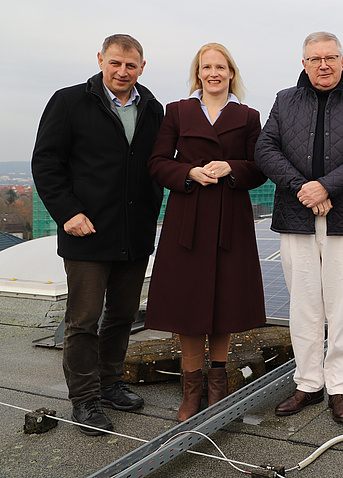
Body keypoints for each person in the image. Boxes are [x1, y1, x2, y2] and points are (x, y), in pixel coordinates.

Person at [31, 34, 164, 436]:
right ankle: (85, 399)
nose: (122, 71)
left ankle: (110, 384)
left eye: (131, 65)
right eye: (115, 63)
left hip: (134, 231)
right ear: (101, 61)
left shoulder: (153, 108)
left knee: (123, 316)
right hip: (86, 231)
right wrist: (67, 212)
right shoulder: (69, 101)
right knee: (84, 321)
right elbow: (46, 162)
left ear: (142, 67)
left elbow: (159, 162)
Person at [255, 31, 343, 424]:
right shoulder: (283, 100)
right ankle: (308, 383)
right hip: (297, 215)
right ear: (304, 63)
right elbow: (265, 149)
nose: (323, 65)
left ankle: (339, 388)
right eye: (315, 58)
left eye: (330, 57)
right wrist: (303, 189)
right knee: (304, 304)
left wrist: (326, 186)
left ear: (342, 60)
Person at [145, 43, 267, 422]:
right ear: (197, 73)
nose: (213, 73)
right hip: (189, 218)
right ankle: (191, 388)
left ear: (232, 73)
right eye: (206, 67)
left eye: (221, 67)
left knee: (225, 302)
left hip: (230, 218)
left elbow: (258, 166)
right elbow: (157, 162)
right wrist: (187, 173)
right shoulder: (177, 112)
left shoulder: (248, 116)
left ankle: (218, 384)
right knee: (189, 304)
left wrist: (231, 167)